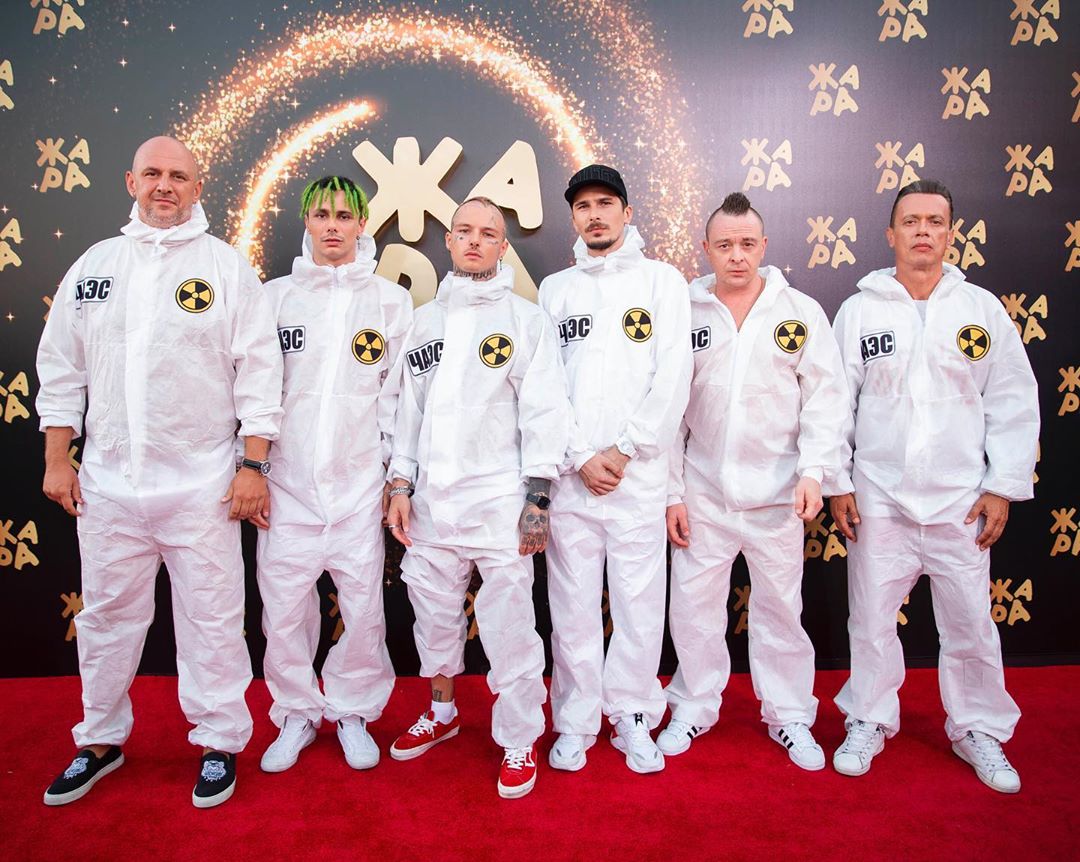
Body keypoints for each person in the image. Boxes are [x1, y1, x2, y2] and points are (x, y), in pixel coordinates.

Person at [36, 136, 283, 808]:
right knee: (107, 618)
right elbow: (62, 368)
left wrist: (252, 465)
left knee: (212, 620)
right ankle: (99, 739)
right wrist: (57, 457)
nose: (164, 186)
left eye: (178, 176)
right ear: (130, 182)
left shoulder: (225, 267)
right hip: (110, 484)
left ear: (198, 188)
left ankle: (219, 742)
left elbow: (260, 374)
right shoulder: (96, 267)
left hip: (202, 485)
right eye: (152, 174)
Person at [830, 179, 1039, 793]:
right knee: (871, 619)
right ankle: (868, 718)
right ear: (891, 234)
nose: (923, 231)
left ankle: (978, 728)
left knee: (971, 622)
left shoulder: (981, 310)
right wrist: (838, 481)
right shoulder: (860, 310)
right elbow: (833, 404)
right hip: (878, 496)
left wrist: (1001, 485)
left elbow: (1012, 400)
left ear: (951, 233)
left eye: (935, 221)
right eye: (911, 221)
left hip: (959, 499)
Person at [657, 192, 851, 770]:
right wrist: (672, 492)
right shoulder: (684, 311)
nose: (736, 256)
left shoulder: (800, 312)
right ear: (706, 248)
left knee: (781, 612)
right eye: (725, 245)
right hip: (703, 492)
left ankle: (790, 715)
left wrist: (814, 471)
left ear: (764, 246)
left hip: (778, 495)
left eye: (747, 244)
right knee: (693, 610)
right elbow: (668, 411)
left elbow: (826, 400)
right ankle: (693, 706)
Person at [384, 196, 569, 799]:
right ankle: (442, 712)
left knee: (510, 627)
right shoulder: (424, 322)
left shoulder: (525, 321)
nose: (473, 241)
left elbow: (544, 413)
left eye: (488, 233)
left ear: (502, 246)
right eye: (463, 230)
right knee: (434, 619)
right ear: (448, 240)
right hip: (433, 504)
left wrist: (537, 498)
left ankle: (519, 737)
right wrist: (401, 483)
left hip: (499, 505)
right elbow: (406, 413)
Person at [538, 164, 692, 774]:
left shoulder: (662, 283)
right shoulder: (555, 291)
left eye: (606, 203)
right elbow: (545, 388)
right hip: (573, 481)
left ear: (627, 213)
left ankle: (632, 714)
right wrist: (581, 456)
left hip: (637, 478)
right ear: (573, 218)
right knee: (572, 606)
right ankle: (575, 720)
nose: (595, 215)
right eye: (583, 206)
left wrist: (624, 451)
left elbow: (673, 377)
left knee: (638, 604)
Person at [256, 176, 412, 773]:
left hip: (358, 490)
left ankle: (352, 711)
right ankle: (296, 712)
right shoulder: (274, 299)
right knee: (283, 613)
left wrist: (393, 479)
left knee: (364, 611)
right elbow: (252, 392)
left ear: (362, 224)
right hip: (286, 488)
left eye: (344, 216)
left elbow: (397, 402)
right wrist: (253, 470)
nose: (332, 226)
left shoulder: (390, 303)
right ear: (306, 221)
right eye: (321, 214)